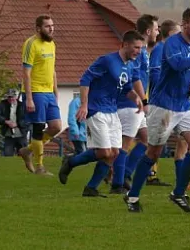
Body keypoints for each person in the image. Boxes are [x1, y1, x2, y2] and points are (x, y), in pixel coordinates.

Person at [124, 8, 190, 213]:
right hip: (164, 106)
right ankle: (132, 196)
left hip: (184, 104)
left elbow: (186, 71)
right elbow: (177, 64)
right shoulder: (171, 43)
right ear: (185, 24)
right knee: (154, 152)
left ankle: (178, 194)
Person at [58, 30, 144, 197]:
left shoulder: (131, 65)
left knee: (115, 153)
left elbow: (126, 89)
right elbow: (85, 79)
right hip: (96, 108)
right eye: (136, 47)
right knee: (105, 152)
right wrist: (84, 105)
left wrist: (137, 98)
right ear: (125, 44)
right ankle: (71, 161)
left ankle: (91, 188)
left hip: (112, 111)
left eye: (140, 48)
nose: (138, 51)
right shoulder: (107, 60)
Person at [143, 19, 190, 190]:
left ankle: (181, 180)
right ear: (169, 34)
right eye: (178, 33)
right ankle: (146, 175)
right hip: (164, 102)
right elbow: (155, 74)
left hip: (180, 100)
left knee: (183, 140)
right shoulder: (161, 48)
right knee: (156, 141)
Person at [113, 14, 160, 193]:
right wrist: (144, 99)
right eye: (156, 29)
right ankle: (119, 181)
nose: (158, 32)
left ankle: (125, 173)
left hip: (137, 103)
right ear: (148, 31)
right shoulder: (139, 53)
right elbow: (136, 78)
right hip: (131, 102)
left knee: (147, 140)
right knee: (124, 143)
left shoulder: (145, 52)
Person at [19, 15, 62, 176]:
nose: (51, 28)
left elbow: (53, 70)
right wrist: (29, 97)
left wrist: (55, 90)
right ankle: (39, 167)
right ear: (38, 28)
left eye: (52, 25)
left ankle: (27, 150)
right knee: (38, 128)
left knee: (56, 126)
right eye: (47, 26)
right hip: (36, 91)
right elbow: (26, 73)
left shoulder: (51, 44)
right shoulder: (31, 44)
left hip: (48, 92)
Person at [0, 89, 30, 157]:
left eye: (12, 97)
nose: (11, 98)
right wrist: (5, 121)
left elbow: (28, 119)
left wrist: (17, 124)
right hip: (8, 133)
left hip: (21, 133)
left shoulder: (22, 105)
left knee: (24, 155)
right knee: (7, 154)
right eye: (9, 97)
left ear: (16, 97)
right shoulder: (2, 105)